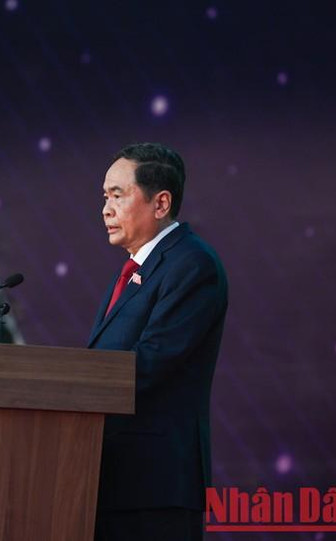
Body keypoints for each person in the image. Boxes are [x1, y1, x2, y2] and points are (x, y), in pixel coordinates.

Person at [88, 143, 228, 541]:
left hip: (155, 484)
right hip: (111, 477)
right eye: (104, 196)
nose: (106, 208)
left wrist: (73, 384)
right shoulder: (136, 269)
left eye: (118, 195)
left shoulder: (191, 265)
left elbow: (150, 364)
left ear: (161, 202)